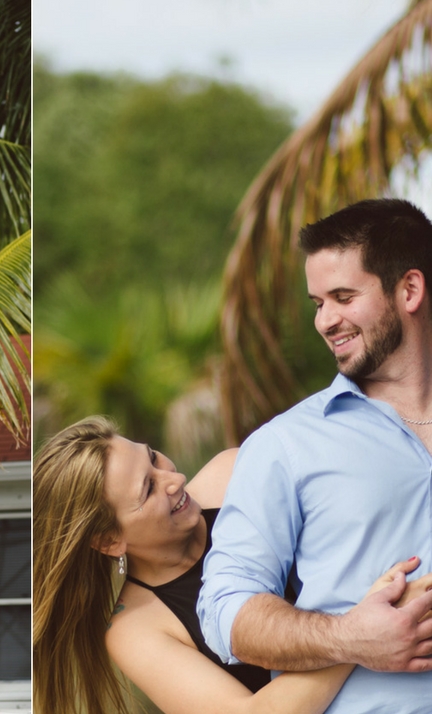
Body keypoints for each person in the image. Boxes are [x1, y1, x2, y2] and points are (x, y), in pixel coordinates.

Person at [198, 198, 432, 714]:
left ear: (409, 289)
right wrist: (348, 637)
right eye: (318, 302)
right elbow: (225, 611)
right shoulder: (284, 445)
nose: (326, 320)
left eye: (343, 297)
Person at [32, 414, 432, 714]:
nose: (173, 479)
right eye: (148, 489)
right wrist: (358, 635)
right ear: (108, 540)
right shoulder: (135, 628)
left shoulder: (233, 471)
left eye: (153, 458)